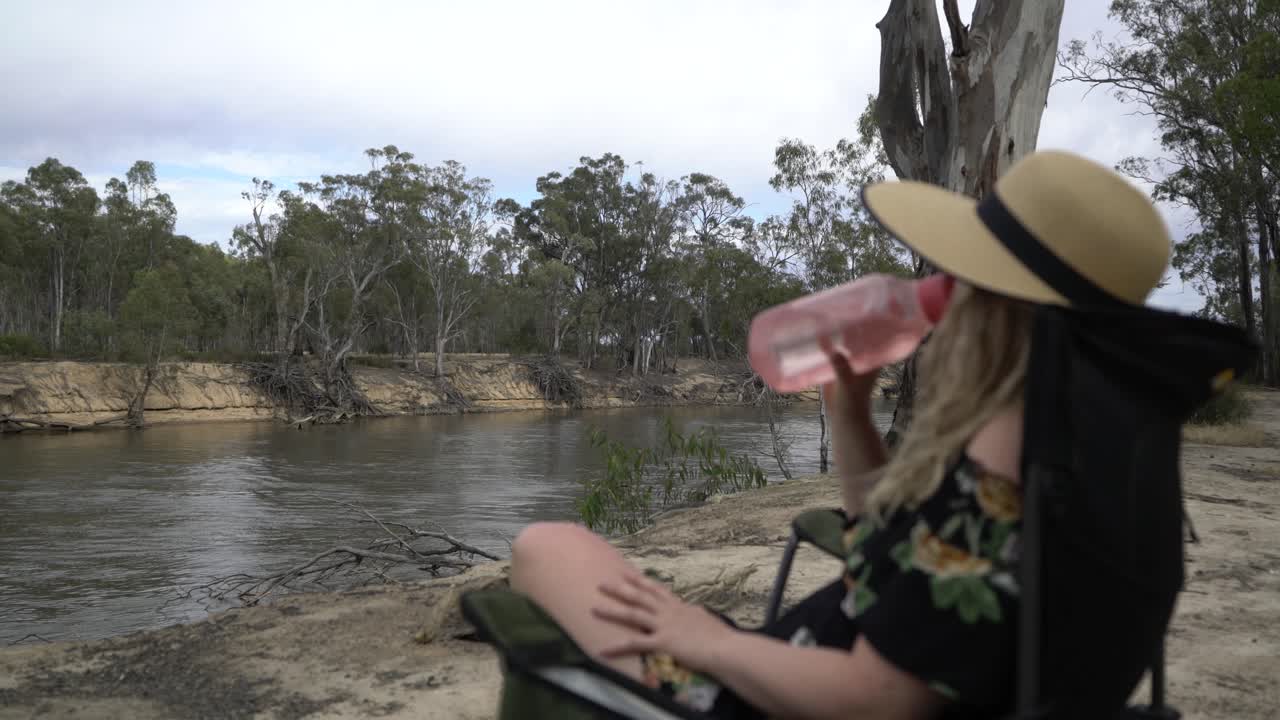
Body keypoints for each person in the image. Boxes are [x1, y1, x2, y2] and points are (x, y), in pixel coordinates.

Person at [506, 150, 1185, 720]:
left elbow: (877, 697)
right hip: (802, 664)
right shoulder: (1102, 448)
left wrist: (706, 642)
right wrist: (851, 416)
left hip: (777, 697)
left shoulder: (1008, 467)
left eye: (962, 278)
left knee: (546, 546)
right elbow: (897, 573)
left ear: (995, 303)